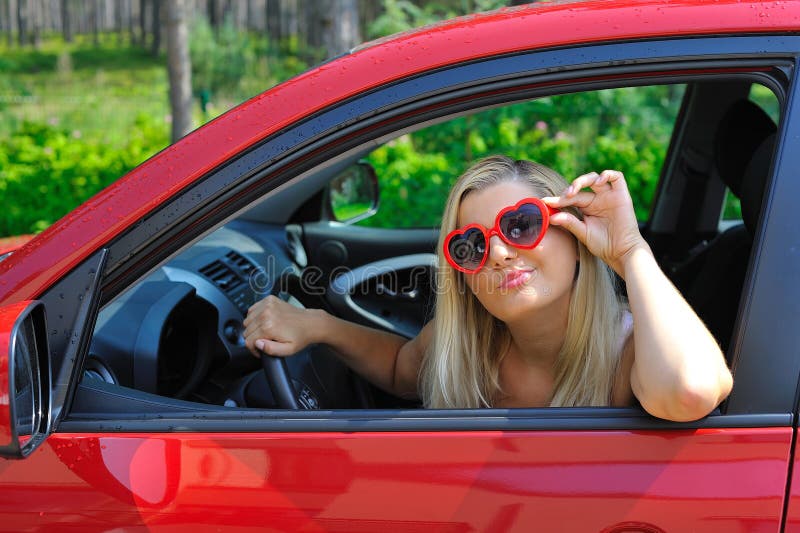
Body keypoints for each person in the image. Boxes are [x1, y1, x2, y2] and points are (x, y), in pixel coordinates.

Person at [243, 155, 733, 421]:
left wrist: (630, 251)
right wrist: (319, 325)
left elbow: (689, 393)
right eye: (471, 245)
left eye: (520, 225)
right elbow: (399, 369)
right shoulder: (470, 342)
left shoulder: (629, 349)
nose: (498, 252)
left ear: (574, 234)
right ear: (464, 275)